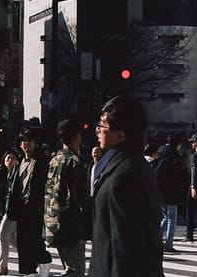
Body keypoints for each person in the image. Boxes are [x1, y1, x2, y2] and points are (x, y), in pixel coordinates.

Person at [89, 96, 164, 277]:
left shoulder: (124, 175)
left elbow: (126, 247)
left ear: (121, 135)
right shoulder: (127, 166)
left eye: (103, 126)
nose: (98, 130)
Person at [5, 125, 53, 277]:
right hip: (20, 206)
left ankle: (44, 261)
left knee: (33, 238)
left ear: (35, 143)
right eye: (23, 141)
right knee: (22, 240)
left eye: (29, 141)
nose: (26, 144)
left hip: (35, 205)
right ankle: (28, 271)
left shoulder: (41, 161)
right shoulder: (19, 162)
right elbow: (12, 185)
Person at [45, 119, 89, 277]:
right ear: (76, 137)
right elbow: (83, 197)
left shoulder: (54, 160)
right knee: (76, 271)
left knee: (69, 269)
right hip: (71, 224)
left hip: (52, 221)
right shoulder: (74, 162)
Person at [155, 135, 188, 252]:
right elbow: (180, 174)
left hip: (160, 190)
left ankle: (155, 240)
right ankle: (169, 244)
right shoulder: (174, 156)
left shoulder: (160, 153)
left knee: (166, 216)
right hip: (172, 190)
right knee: (172, 218)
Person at [0, 149, 18, 276]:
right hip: (6, 210)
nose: (9, 160)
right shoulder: (4, 174)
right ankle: (35, 257)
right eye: (7, 158)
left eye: (12, 158)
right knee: (11, 239)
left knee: (1, 235)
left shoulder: (19, 174)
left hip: (14, 210)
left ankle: (3, 267)